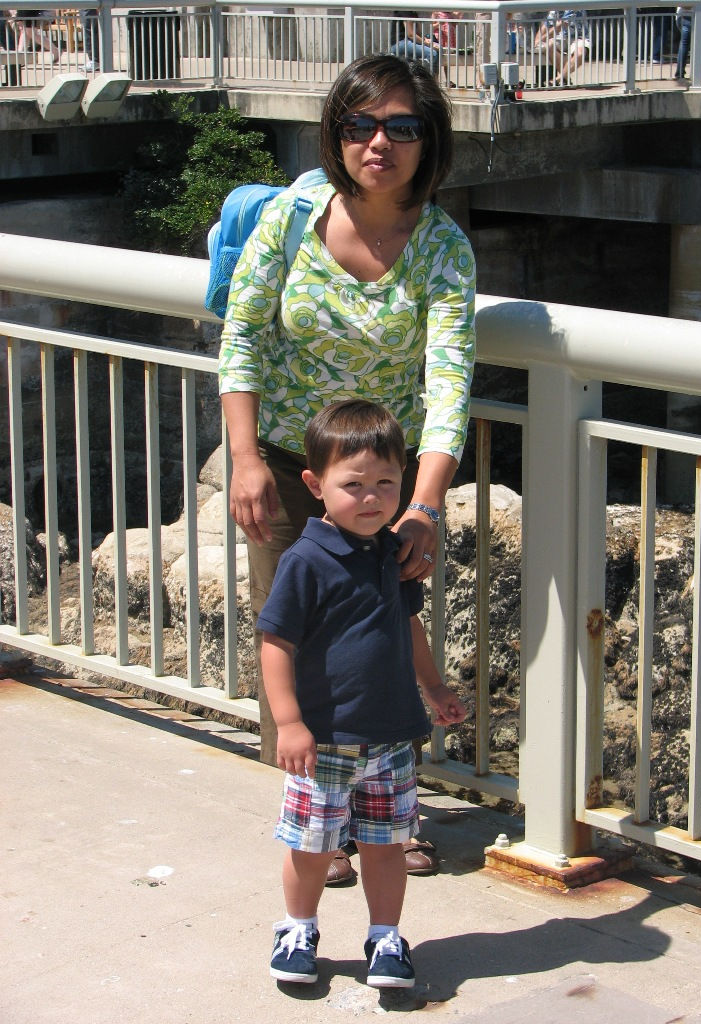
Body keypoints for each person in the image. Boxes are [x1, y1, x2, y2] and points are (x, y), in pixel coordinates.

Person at [218, 54, 476, 882]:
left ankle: (389, 816)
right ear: (336, 134)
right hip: (289, 467)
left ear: (428, 140)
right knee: (296, 636)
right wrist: (245, 458)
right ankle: (316, 821)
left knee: (383, 637)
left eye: (402, 127)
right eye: (360, 125)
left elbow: (449, 384)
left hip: (381, 483)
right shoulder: (294, 217)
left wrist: (423, 506)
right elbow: (242, 333)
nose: (379, 143)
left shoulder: (443, 248)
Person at [258, 399, 468, 987]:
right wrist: (289, 723)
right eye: (353, 485)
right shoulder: (305, 560)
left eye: (386, 483)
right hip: (324, 740)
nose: (371, 498)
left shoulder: (394, 551)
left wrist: (433, 686)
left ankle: (385, 936)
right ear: (315, 486)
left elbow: (408, 625)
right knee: (311, 847)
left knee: (386, 845)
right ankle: (297, 927)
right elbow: (276, 643)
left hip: (391, 737)